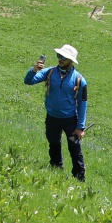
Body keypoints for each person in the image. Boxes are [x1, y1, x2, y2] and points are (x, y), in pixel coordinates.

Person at [25, 44, 87, 181]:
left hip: (70, 119)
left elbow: (83, 104)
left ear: (71, 60)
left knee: (74, 148)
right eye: (59, 56)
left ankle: (79, 178)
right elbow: (28, 81)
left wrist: (80, 127)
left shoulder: (79, 80)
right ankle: (56, 170)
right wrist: (34, 70)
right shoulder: (49, 72)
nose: (60, 59)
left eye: (64, 57)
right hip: (52, 117)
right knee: (53, 144)